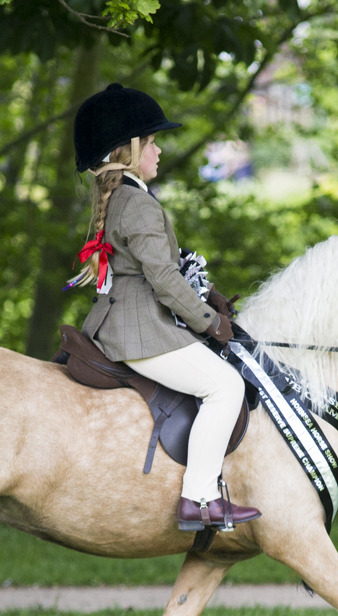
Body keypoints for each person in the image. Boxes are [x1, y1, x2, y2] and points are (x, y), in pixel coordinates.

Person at [70, 83, 261, 533]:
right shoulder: (136, 204)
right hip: (140, 331)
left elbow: (157, 270)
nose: (158, 150)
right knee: (225, 387)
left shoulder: (120, 198)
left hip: (120, 322)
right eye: (152, 142)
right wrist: (210, 322)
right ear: (130, 150)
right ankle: (200, 499)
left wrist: (202, 295)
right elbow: (163, 279)